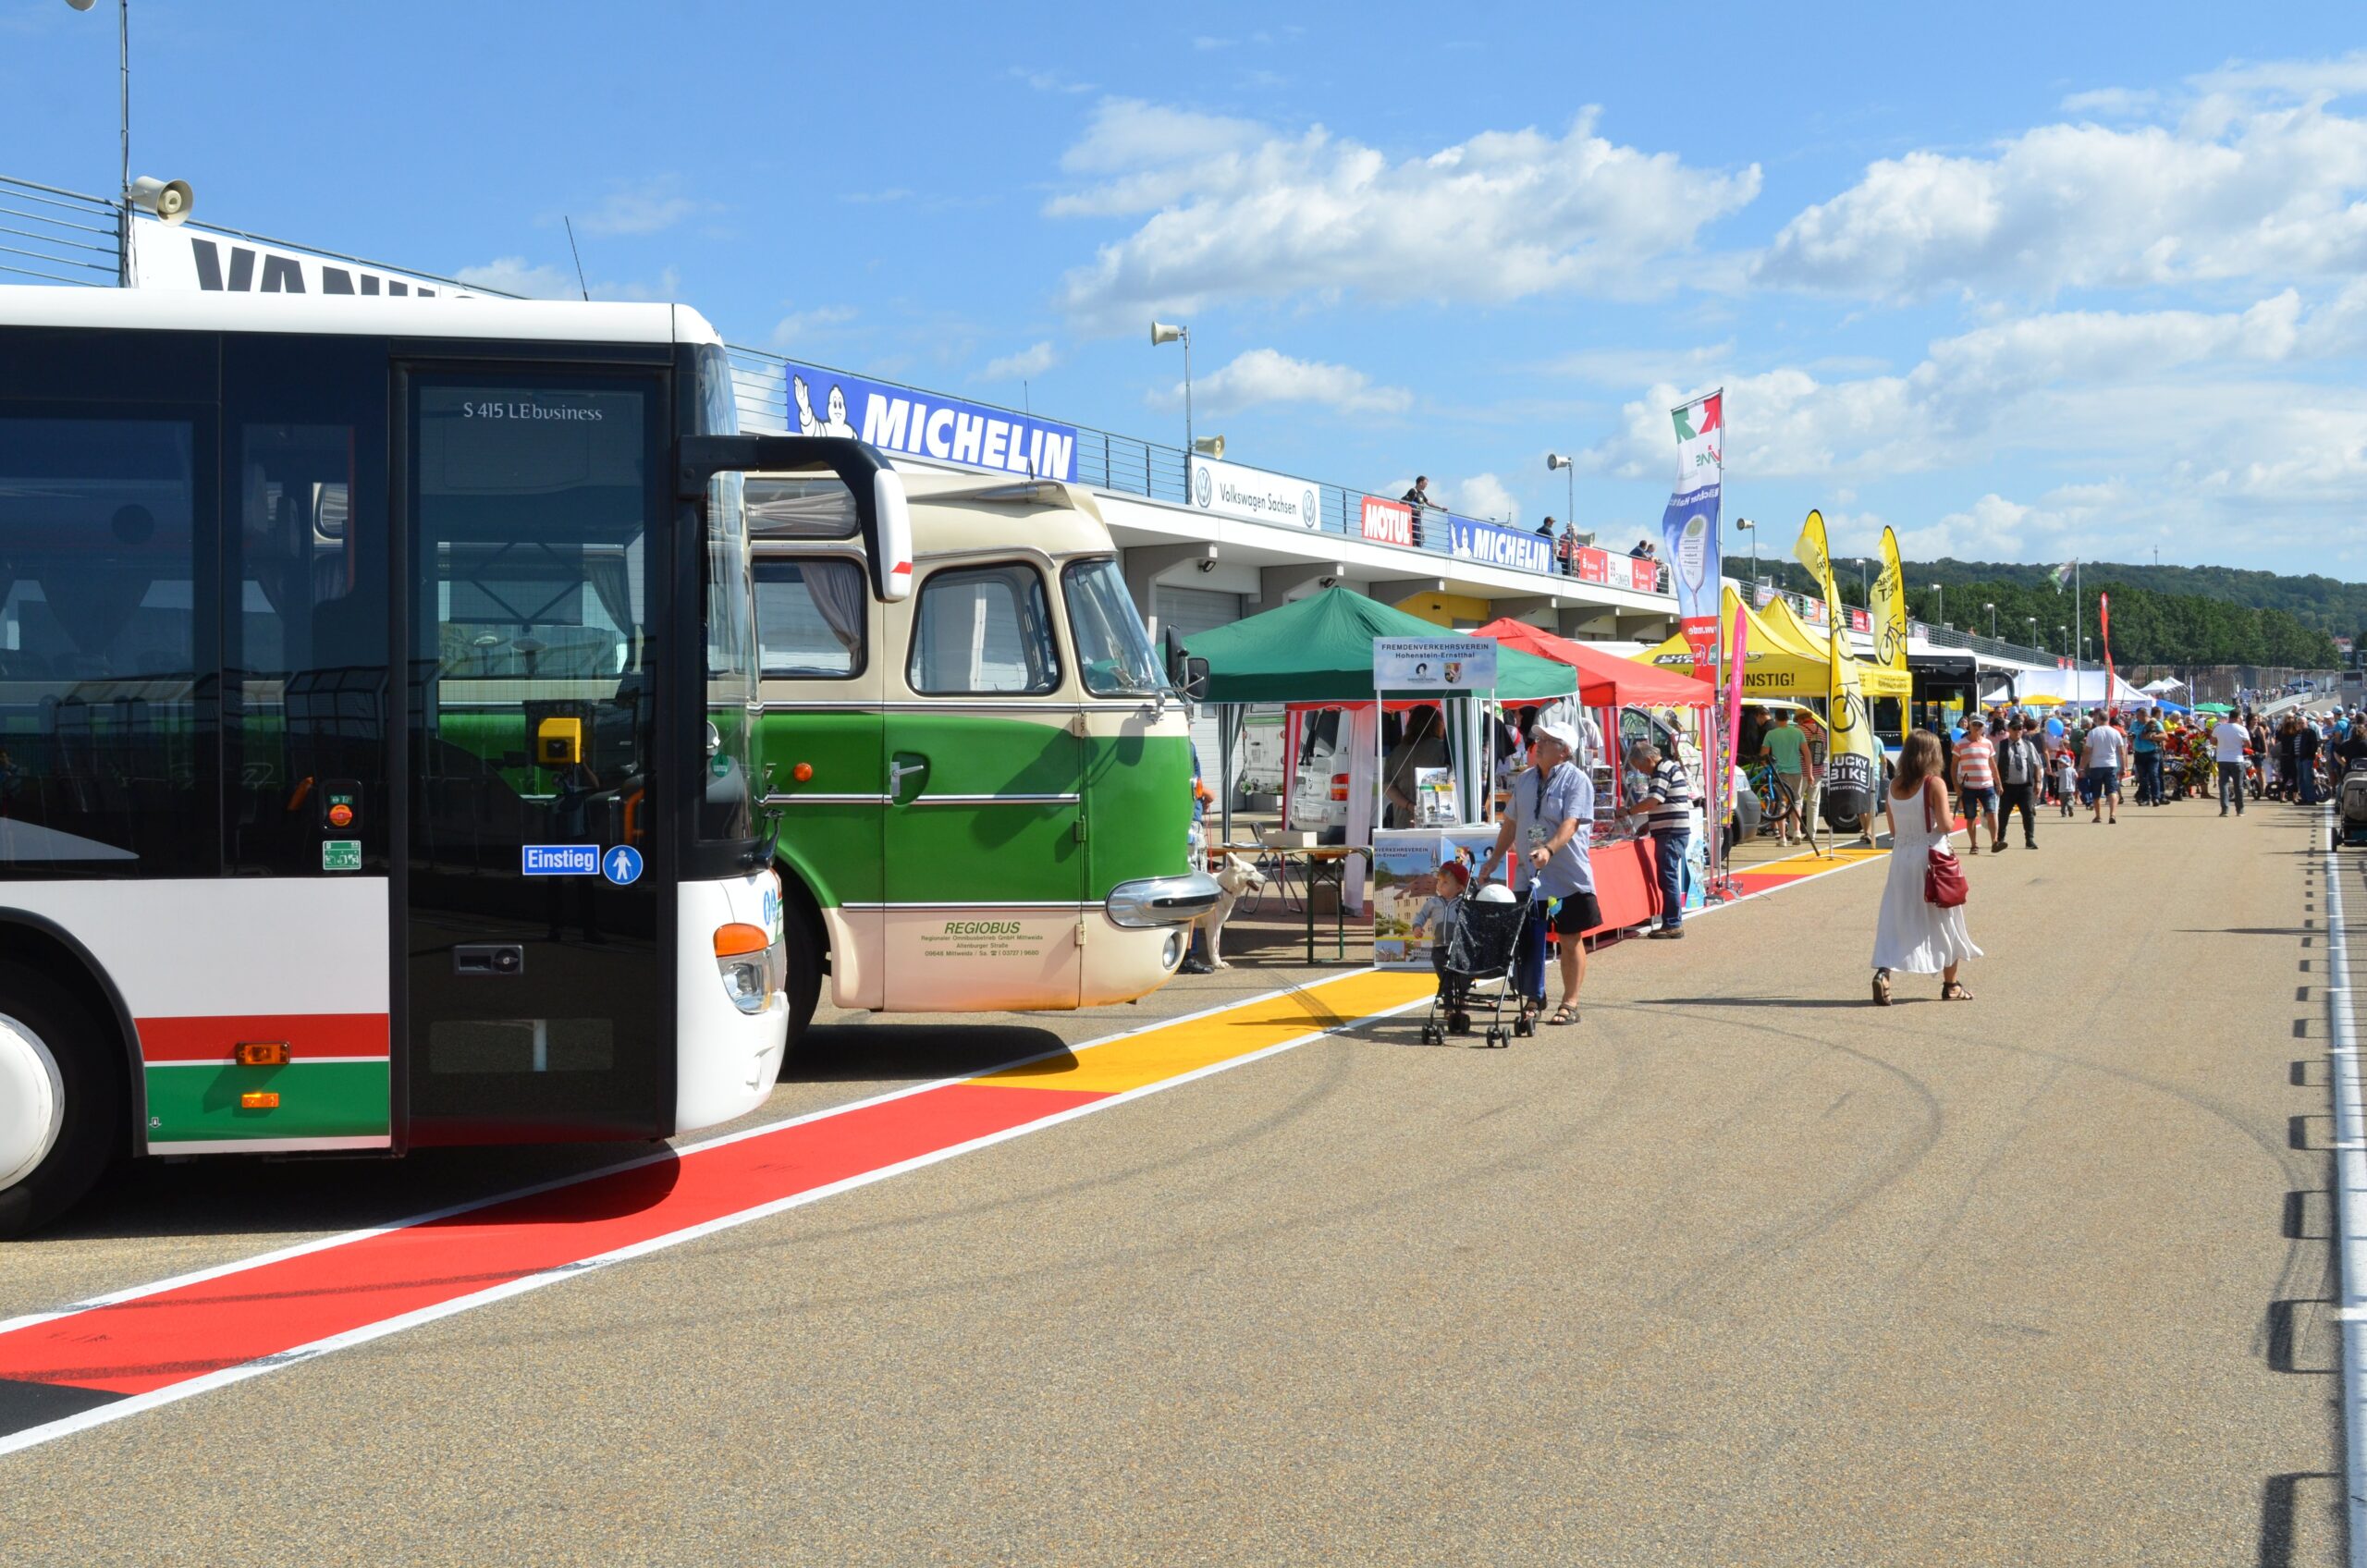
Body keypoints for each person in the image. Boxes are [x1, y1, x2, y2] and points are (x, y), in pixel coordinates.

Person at [1478, 719, 1598, 1028]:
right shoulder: (1526, 779)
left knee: (1570, 938)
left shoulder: (1577, 781)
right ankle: (1534, 996)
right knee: (1528, 939)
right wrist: (1494, 860)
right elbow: (1511, 823)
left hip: (1567, 875)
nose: (1539, 744)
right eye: (1539, 738)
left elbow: (1571, 823)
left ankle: (1570, 1002)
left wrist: (1548, 849)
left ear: (1564, 751)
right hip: (1529, 875)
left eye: (1548, 740)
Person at [1870, 729, 1981, 1005]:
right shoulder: (1934, 783)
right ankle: (1951, 985)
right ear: (1933, 754)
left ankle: (1884, 972)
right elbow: (1944, 825)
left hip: (1901, 859)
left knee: (1897, 919)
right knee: (1946, 921)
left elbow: (1894, 828)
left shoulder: (1895, 785)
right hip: (1932, 858)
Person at [1621, 737, 1692, 938]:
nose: (1641, 771)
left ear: (1649, 759)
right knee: (1668, 876)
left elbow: (1654, 800)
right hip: (1671, 830)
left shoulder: (1662, 770)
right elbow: (1663, 802)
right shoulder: (1666, 768)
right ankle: (1672, 921)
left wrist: (1628, 811)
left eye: (1640, 766)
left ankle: (1672, 923)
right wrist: (1649, 824)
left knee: (1667, 877)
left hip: (1671, 832)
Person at [1381, 704, 1450, 829]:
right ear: (1437, 724)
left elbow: (1388, 787)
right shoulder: (1443, 749)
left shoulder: (1396, 752)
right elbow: (1452, 781)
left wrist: (1410, 806)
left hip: (1403, 822)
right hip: (1436, 822)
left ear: (1410, 724)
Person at [1993, 715, 2045, 850]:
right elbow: (1993, 765)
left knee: (2028, 813)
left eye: (2020, 729)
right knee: (2003, 814)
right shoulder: (2001, 745)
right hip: (2007, 786)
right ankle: (2000, 839)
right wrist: (1997, 783)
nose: (2018, 731)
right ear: (2009, 730)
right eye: (2015, 728)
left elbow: (2037, 765)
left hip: (2025, 786)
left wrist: (2038, 783)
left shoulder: (2028, 745)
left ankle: (2030, 840)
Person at [1952, 714, 2000, 852]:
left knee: (1992, 813)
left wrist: (1998, 783)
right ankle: (1974, 844)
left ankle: (1995, 842)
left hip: (1987, 785)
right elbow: (1953, 766)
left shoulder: (1988, 743)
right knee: (1971, 817)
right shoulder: (1960, 744)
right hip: (1968, 787)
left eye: (1980, 725)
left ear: (1984, 727)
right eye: (1975, 725)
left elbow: (1992, 764)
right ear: (1970, 726)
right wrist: (1956, 786)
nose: (1977, 727)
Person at [1761, 707, 1809, 845]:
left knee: (1782, 802)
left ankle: (1782, 838)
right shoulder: (1797, 732)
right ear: (1788, 718)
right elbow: (1806, 753)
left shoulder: (1771, 734)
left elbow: (1764, 755)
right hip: (1796, 771)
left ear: (1776, 719)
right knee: (1797, 801)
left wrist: (1767, 768)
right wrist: (1810, 773)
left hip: (1779, 772)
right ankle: (1797, 831)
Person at [2082, 709, 2126, 824]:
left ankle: (2098, 816)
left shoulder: (2093, 733)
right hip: (2111, 764)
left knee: (2096, 792)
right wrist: (2123, 767)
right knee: (2112, 790)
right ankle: (2112, 814)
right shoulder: (2115, 732)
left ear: (2098, 719)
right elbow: (2121, 751)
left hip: (2096, 765)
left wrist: (2082, 766)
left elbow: (2087, 751)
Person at [2132, 717, 2165, 805]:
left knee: (2153, 775)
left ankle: (2156, 798)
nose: (2153, 725)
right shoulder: (2136, 724)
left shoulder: (2157, 725)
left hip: (2153, 753)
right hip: (2139, 753)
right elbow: (2142, 736)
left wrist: (2153, 736)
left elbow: (2164, 736)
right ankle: (2145, 798)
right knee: (2143, 777)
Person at [1401, 476, 1435, 549]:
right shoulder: (1413, 491)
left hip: (1418, 519)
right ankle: (1416, 549)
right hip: (1414, 519)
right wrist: (1413, 508)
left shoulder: (1421, 493)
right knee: (1416, 536)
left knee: (1420, 538)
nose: (1426, 486)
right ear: (1421, 483)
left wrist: (1440, 508)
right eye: (1425, 484)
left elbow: (1429, 502)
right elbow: (1404, 502)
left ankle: (1418, 548)